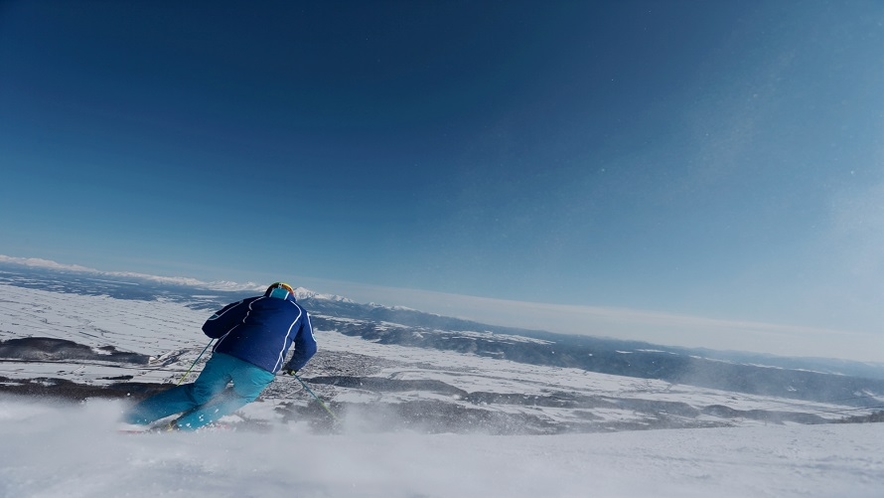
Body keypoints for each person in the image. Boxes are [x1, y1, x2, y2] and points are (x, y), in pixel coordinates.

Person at [124, 282, 316, 431]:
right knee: (240, 396)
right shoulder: (301, 313)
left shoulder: (254, 302)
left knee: (200, 393)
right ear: (293, 297)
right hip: (261, 367)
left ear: (268, 292)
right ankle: (183, 426)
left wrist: (224, 329)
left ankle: (134, 417)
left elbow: (211, 326)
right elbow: (308, 347)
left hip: (227, 354)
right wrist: (294, 366)